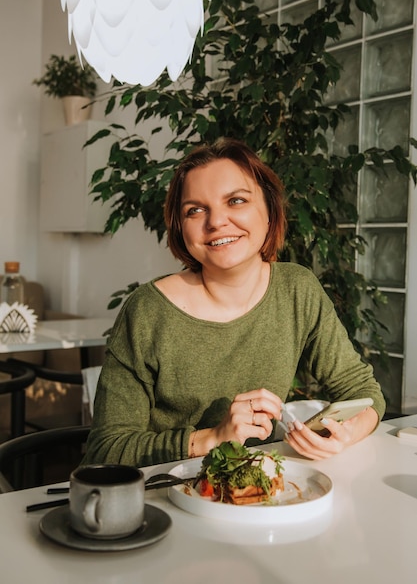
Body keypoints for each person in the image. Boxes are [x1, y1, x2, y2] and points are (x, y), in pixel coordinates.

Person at [83, 138, 385, 467]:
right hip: (163, 497)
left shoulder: (297, 290)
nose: (216, 221)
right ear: (180, 227)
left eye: (236, 200)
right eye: (195, 210)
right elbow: (106, 449)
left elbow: (363, 393)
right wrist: (212, 438)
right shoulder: (147, 312)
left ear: (269, 211)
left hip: (259, 495)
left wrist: (344, 435)